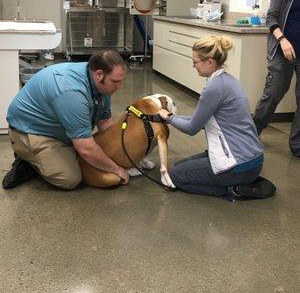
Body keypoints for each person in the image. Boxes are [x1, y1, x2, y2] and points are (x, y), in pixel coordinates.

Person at [158, 36, 275, 199]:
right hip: (252, 160)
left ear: (210, 62)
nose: (194, 66)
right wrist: (169, 118)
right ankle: (244, 181)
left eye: (196, 62)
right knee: (180, 166)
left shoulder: (214, 88)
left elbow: (192, 128)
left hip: (238, 164)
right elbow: (197, 120)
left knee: (176, 176)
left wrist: (168, 117)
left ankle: (232, 190)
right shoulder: (228, 80)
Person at [2, 49, 129, 190]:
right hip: (30, 132)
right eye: (115, 82)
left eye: (122, 81)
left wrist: (121, 154)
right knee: (70, 178)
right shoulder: (71, 91)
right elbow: (86, 149)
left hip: (58, 129)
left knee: (91, 154)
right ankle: (28, 162)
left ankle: (57, 154)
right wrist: (117, 169)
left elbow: (105, 123)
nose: (119, 87)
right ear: (99, 74)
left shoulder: (100, 83)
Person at [253, 0, 300, 156]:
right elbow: (271, 17)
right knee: (273, 94)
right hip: (283, 50)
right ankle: (252, 133)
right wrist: (282, 40)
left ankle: (297, 146)